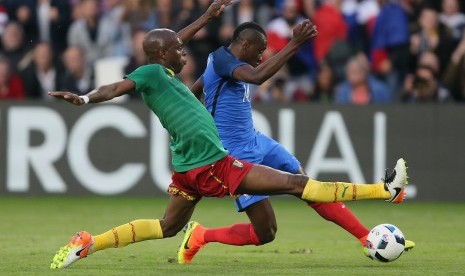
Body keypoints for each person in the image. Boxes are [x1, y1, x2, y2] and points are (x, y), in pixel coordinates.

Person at [49, 0, 409, 269]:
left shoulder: (166, 75)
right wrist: (85, 98)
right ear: (162, 55)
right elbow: (116, 87)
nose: (184, 50)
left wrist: (206, 17)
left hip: (194, 164)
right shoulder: (156, 73)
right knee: (295, 188)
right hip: (219, 162)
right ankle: (384, 190)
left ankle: (88, 243)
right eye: (177, 49)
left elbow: (172, 43)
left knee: (168, 226)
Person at [177, 21, 414, 265]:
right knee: (266, 232)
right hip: (236, 158)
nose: (261, 57)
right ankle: (201, 235)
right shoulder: (221, 60)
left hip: (256, 140)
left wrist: (188, 117)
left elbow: (196, 90)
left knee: (309, 186)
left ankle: (366, 236)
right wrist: (295, 43)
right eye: (259, 51)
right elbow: (258, 77)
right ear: (244, 44)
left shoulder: (222, 63)